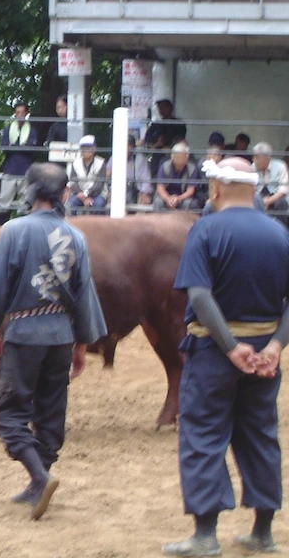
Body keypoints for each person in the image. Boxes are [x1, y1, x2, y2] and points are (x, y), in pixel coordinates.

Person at [0, 162, 107, 521]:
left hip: (25, 333)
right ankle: (36, 484)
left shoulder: (14, 230)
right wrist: (80, 345)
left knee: (8, 412)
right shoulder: (76, 237)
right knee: (50, 412)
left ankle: (40, 478)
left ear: (29, 193)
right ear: (63, 195)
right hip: (61, 335)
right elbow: (84, 293)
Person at [163, 157, 289, 556]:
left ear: (216, 189)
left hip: (214, 354)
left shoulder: (206, 230)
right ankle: (263, 532)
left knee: (203, 435)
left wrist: (232, 347)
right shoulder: (279, 234)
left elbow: (199, 295)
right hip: (266, 355)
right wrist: (274, 347)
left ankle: (205, 535)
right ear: (254, 190)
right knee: (260, 435)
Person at [0, 102, 39, 222]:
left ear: (26, 113)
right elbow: (4, 148)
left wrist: (13, 147)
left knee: (25, 203)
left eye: (22, 112)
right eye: (17, 112)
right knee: (4, 201)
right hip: (9, 169)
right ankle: (0, 228)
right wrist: (21, 147)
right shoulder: (7, 129)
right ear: (14, 114)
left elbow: (32, 150)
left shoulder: (32, 131)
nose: (19, 115)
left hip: (25, 169)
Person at [105, 135, 152, 206]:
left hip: (135, 189)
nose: (125, 148)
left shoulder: (141, 159)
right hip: (118, 189)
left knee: (144, 202)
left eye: (128, 145)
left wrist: (144, 193)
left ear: (134, 147)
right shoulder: (114, 157)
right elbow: (107, 174)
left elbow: (146, 179)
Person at [67, 135, 108, 214]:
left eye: (88, 147)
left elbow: (99, 184)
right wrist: (82, 196)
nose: (86, 150)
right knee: (70, 205)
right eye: (83, 147)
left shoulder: (101, 163)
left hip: (97, 194)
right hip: (79, 194)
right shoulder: (75, 163)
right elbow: (73, 182)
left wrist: (86, 195)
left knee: (98, 205)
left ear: (94, 148)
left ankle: (97, 226)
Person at [154, 142, 200, 212]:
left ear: (187, 157)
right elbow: (160, 188)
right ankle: (158, 223)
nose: (180, 160)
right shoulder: (165, 166)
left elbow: (190, 191)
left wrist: (178, 199)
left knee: (189, 203)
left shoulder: (192, 168)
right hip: (166, 196)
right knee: (158, 202)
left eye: (182, 158)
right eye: (178, 157)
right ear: (172, 157)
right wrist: (168, 199)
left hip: (183, 198)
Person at [145, 99, 187, 175]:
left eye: (164, 108)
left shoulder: (178, 123)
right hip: (158, 153)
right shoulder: (156, 124)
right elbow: (148, 138)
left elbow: (180, 138)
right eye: (160, 108)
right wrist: (157, 144)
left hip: (174, 152)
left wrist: (165, 142)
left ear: (170, 108)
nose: (161, 110)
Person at [251, 141, 289, 224]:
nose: (254, 160)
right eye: (254, 157)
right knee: (253, 201)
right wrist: (261, 201)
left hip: (275, 196)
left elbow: (284, 189)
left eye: (257, 157)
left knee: (281, 203)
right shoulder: (252, 167)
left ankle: (281, 230)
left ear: (267, 158)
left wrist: (269, 200)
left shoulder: (280, 166)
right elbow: (251, 188)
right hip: (259, 196)